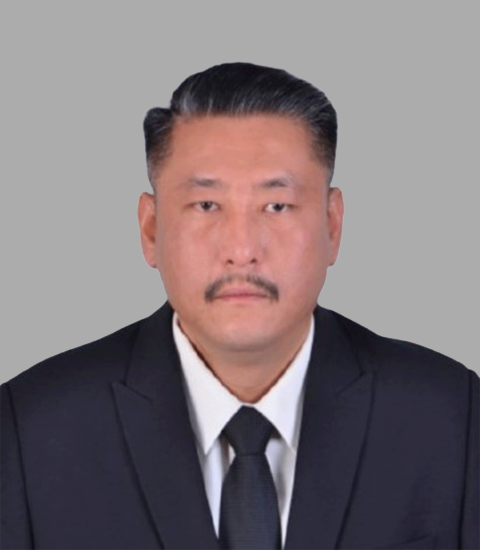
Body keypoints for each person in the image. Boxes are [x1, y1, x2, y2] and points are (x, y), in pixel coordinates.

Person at [1, 62, 478, 550]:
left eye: (277, 206)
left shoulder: (452, 418)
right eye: (206, 205)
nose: (242, 249)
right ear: (151, 229)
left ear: (332, 225)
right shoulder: (28, 429)